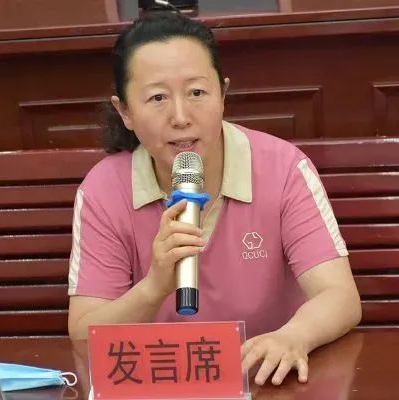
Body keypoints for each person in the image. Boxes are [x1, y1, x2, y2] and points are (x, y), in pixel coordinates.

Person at [67, 11, 362, 386]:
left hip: (266, 382)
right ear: (125, 111)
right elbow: (84, 333)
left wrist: (293, 337)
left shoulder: (283, 168)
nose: (180, 117)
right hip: (162, 382)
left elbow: (340, 296)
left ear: (222, 94)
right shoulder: (104, 190)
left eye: (196, 92)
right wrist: (154, 287)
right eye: (157, 97)